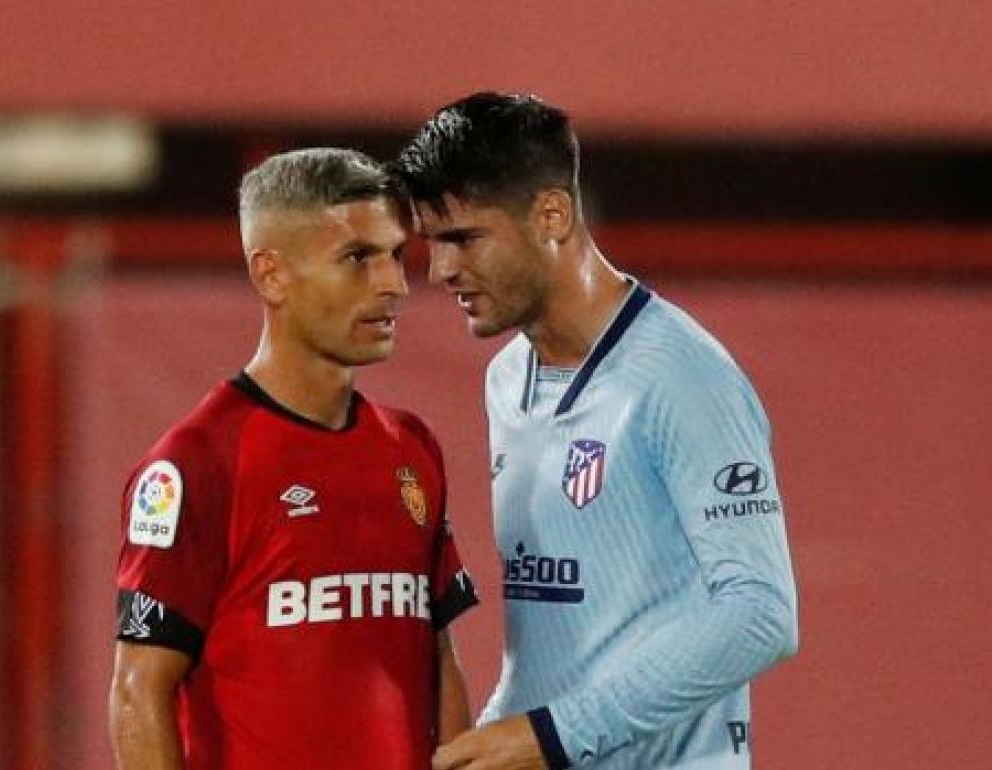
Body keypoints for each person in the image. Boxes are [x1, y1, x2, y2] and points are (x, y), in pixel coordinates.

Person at [394, 93, 799, 770]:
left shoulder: (682, 376)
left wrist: (553, 735)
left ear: (552, 215)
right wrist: (499, 732)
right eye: (431, 243)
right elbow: (565, 647)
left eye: (463, 238)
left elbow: (761, 615)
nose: (439, 270)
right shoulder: (506, 379)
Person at [109, 148, 479, 770]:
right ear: (271, 274)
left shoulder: (412, 447)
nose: (392, 283)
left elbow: (439, 658)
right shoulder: (196, 463)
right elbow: (138, 687)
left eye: (394, 254)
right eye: (358, 258)